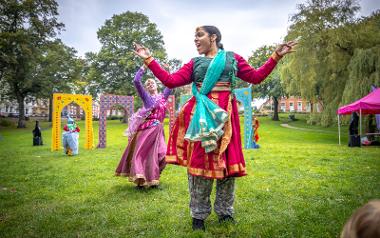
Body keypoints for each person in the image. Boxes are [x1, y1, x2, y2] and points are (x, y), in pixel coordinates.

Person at [133, 25, 296, 230]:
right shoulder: (194, 63)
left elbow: (256, 77)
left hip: (226, 118)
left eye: (199, 35)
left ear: (213, 37)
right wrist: (148, 58)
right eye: (194, 36)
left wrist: (275, 56)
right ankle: (198, 216)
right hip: (201, 117)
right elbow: (170, 80)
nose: (195, 39)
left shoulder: (231, 58)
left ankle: (225, 213)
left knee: (226, 167)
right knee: (200, 166)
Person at [115, 66, 172, 188]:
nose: (150, 84)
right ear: (146, 88)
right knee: (142, 155)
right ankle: (142, 180)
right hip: (147, 130)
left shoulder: (163, 97)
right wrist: (143, 68)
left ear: (157, 85)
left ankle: (153, 178)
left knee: (162, 155)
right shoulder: (147, 98)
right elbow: (136, 81)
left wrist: (167, 71)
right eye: (148, 84)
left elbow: (171, 83)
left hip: (159, 130)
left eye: (152, 82)